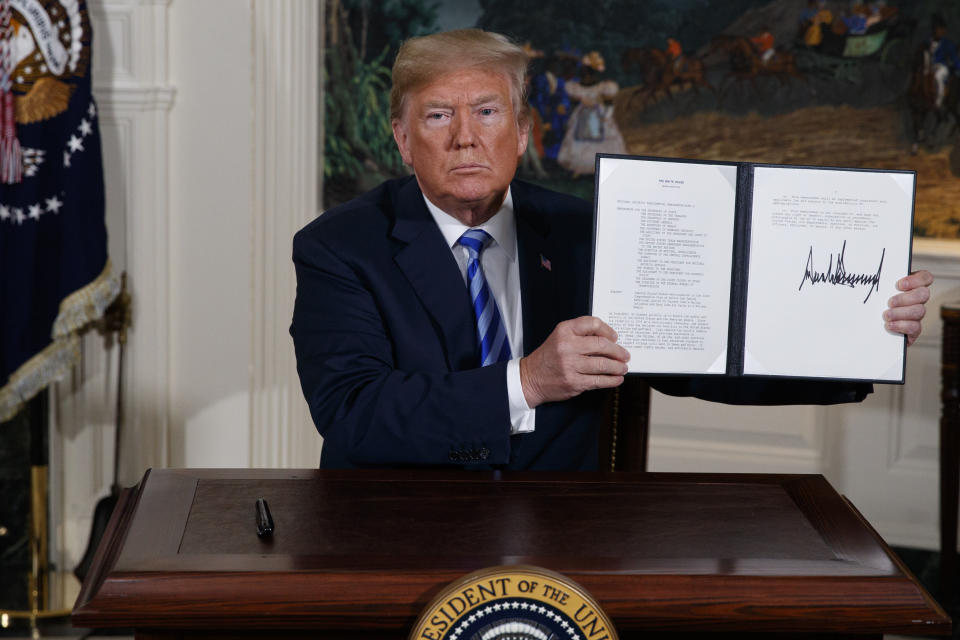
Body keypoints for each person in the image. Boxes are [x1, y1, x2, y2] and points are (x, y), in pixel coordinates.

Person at [290, 29, 933, 470]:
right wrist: (528, 382)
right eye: (437, 116)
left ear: (522, 133)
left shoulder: (589, 230)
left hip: (566, 529)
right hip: (398, 529)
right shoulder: (339, 247)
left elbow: (700, 354)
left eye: (486, 113)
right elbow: (354, 414)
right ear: (403, 139)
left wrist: (858, 334)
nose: (465, 138)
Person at [556, 51, 626, 176]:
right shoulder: (575, 87)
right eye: (583, 71)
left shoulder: (603, 86)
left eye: (587, 71)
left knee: (601, 142)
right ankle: (580, 168)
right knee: (580, 142)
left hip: (599, 116)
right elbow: (572, 101)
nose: (584, 74)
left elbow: (609, 103)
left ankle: (604, 170)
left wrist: (606, 116)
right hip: (582, 116)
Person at [927, 14, 960, 110]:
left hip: (941, 66)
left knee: (939, 76)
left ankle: (939, 101)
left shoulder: (948, 44)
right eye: (939, 29)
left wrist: (958, 67)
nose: (942, 31)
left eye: (943, 29)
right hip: (929, 65)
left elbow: (954, 58)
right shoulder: (927, 41)